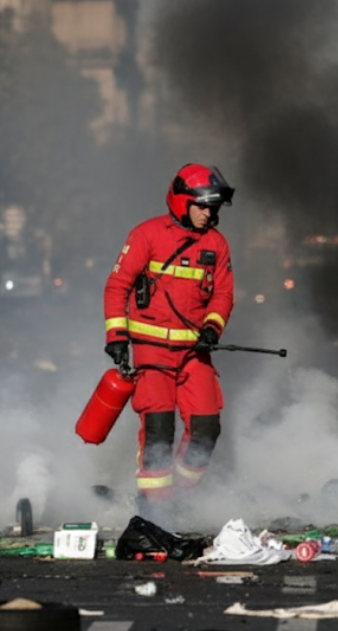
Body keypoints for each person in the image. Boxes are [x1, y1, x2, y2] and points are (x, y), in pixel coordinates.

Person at [103, 163, 236, 517]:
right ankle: (154, 508)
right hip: (152, 355)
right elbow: (117, 286)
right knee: (158, 433)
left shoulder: (217, 245)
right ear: (182, 201)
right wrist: (117, 336)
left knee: (206, 430)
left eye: (213, 207)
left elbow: (223, 295)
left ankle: (183, 499)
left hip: (195, 355)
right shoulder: (146, 235)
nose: (209, 213)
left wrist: (212, 328)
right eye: (203, 206)